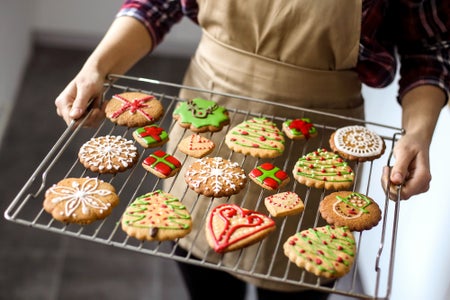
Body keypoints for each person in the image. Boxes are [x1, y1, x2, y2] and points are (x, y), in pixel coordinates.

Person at [55, 1, 449, 299]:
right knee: (200, 269)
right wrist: (97, 66)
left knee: (298, 282)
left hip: (318, 134)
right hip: (207, 105)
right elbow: (157, 4)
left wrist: (418, 132)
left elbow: (428, 48)